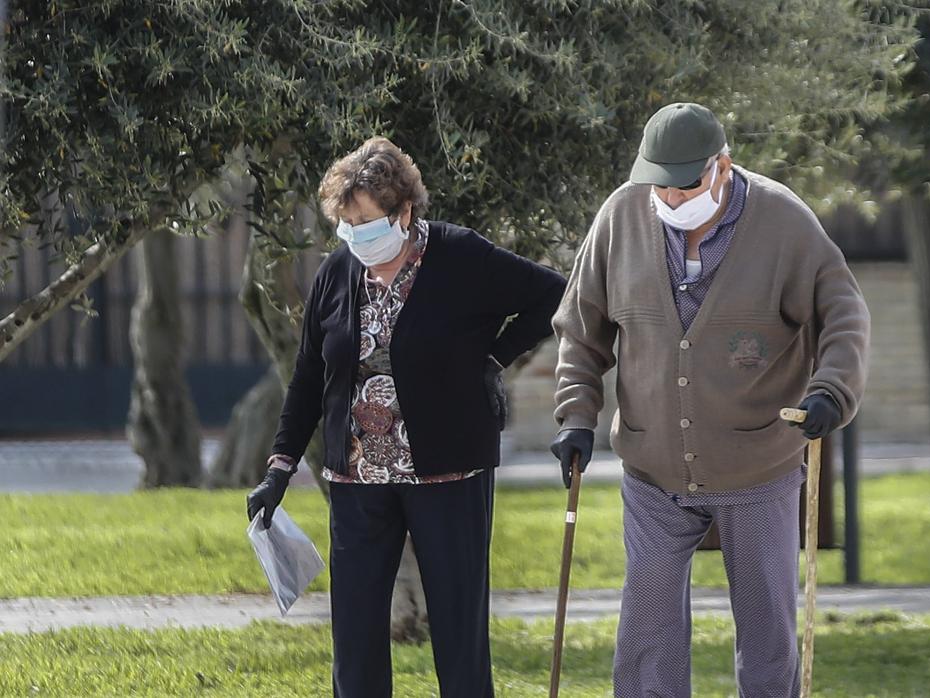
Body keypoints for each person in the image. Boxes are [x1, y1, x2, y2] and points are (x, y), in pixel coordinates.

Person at [549, 102, 869, 697]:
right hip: (653, 468)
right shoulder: (621, 216)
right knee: (647, 631)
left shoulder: (783, 222)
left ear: (722, 165)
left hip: (758, 465)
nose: (670, 200)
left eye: (686, 185)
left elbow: (843, 314)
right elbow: (581, 328)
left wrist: (832, 390)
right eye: (658, 186)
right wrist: (575, 414)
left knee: (768, 631)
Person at [246, 136, 566, 697]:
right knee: (355, 637)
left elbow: (553, 294)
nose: (354, 236)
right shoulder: (337, 272)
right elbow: (308, 376)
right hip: (358, 481)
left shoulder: (460, 255)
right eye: (345, 224)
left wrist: (493, 357)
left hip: (449, 476)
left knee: (459, 634)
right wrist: (279, 467)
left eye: (366, 223)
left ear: (404, 211)